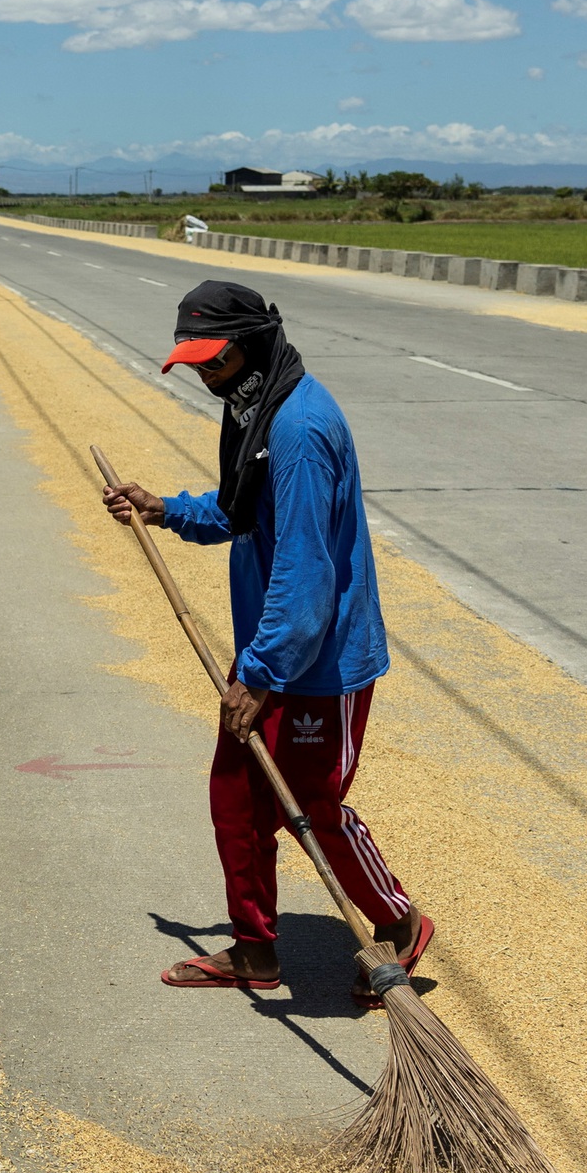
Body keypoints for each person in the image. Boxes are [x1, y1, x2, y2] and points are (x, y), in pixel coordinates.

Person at [98, 280, 429, 1006]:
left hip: (319, 662)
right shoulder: (255, 410)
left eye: (213, 361)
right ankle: (253, 950)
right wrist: (167, 511)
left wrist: (262, 671)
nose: (204, 375)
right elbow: (239, 510)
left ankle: (398, 922)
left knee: (311, 802)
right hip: (273, 654)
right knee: (237, 796)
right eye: (194, 363)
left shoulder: (300, 431)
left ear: (255, 343)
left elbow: (306, 573)